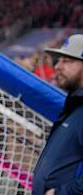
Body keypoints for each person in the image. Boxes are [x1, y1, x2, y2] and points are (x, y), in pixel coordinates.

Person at [33, 34, 83, 195]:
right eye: (59, 60)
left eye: (67, 61)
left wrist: (61, 193)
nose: (57, 66)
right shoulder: (74, 106)